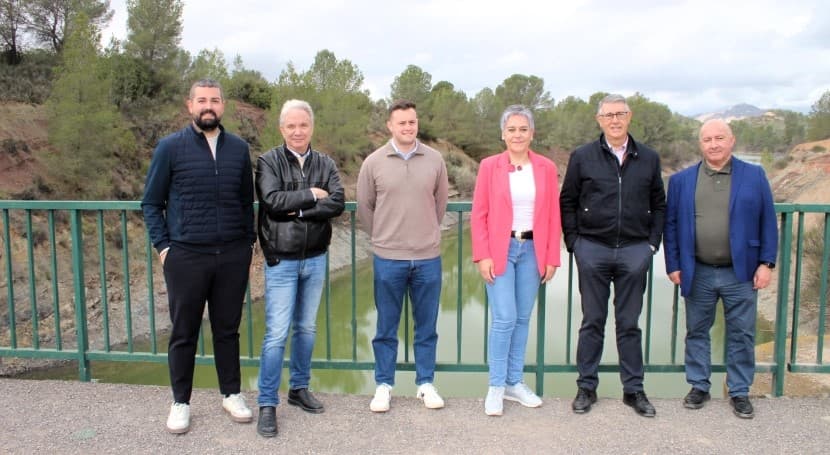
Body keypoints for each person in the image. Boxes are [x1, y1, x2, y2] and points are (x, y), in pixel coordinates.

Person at [142, 79, 256, 434]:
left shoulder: (238, 149)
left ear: (223, 106)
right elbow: (151, 203)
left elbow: (245, 201)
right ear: (189, 105)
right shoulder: (170, 148)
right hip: (186, 256)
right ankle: (180, 402)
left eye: (215, 100)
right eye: (202, 100)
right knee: (184, 331)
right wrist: (164, 248)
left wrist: (249, 244)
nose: (209, 106)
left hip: (232, 255)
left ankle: (231, 393)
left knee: (227, 329)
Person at [559, 94, 666, 417]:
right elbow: (568, 201)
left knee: (629, 323)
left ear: (630, 116)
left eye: (620, 114)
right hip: (592, 249)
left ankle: (634, 390)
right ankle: (586, 388)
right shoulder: (583, 157)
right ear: (599, 120)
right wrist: (575, 243)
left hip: (635, 250)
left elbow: (659, 203)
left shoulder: (648, 157)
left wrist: (651, 245)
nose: (615, 120)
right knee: (592, 321)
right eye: (608, 115)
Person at [664, 119, 777, 419]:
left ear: (732, 140)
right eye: (707, 139)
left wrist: (766, 263)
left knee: (741, 333)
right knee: (697, 331)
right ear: (700, 144)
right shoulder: (681, 181)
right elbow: (671, 225)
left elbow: (768, 220)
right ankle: (699, 386)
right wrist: (673, 264)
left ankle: (739, 391)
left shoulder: (754, 175)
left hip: (740, 272)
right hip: (696, 270)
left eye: (719, 138)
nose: (713, 144)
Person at [254, 99, 345, 437]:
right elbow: (273, 203)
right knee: (276, 334)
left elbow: (336, 202)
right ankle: (267, 403)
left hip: (316, 257)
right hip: (281, 259)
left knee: (306, 329)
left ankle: (298, 389)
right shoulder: (268, 161)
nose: (297, 131)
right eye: (290, 126)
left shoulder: (326, 163)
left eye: (302, 125)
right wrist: (311, 193)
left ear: (311, 127)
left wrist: (302, 210)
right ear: (282, 129)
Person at [357, 99, 449, 413]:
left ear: (417, 123)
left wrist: (424, 235)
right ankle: (384, 385)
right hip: (388, 258)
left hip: (427, 258)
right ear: (390, 126)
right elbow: (365, 207)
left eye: (412, 122)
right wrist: (385, 238)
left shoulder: (435, 160)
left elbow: (440, 206)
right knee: (386, 326)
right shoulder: (373, 162)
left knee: (427, 325)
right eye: (401, 123)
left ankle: (425, 383)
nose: (407, 127)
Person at [471, 105, 561, 416]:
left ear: (532, 133)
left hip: (532, 250)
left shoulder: (546, 168)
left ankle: (514, 382)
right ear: (503, 134)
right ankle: (496, 385)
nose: (518, 135)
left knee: (522, 319)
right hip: (501, 249)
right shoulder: (489, 167)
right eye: (512, 129)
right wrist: (482, 255)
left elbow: (552, 214)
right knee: (505, 318)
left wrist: (551, 256)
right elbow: (479, 214)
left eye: (523, 129)